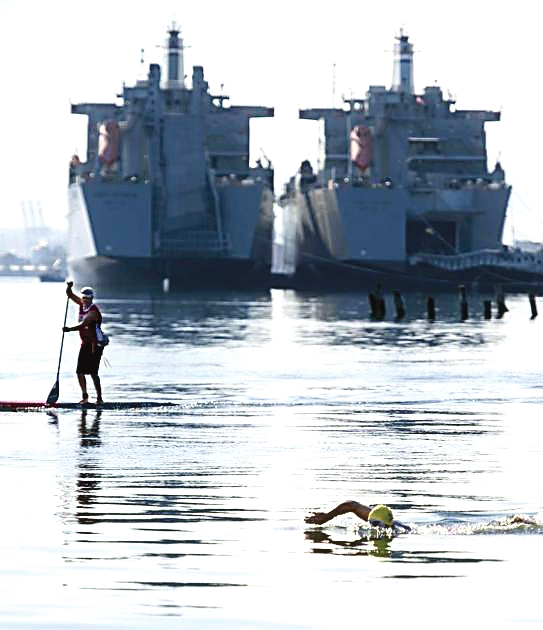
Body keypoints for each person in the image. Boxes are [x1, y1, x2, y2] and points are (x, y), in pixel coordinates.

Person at [63, 282, 104, 404]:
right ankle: (85, 396)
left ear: (91, 298)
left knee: (93, 373)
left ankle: (99, 398)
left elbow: (83, 325)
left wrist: (69, 329)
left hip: (95, 345)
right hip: (84, 344)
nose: (85, 299)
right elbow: (69, 294)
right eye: (83, 297)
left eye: (87, 297)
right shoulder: (81, 304)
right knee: (79, 372)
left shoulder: (93, 311)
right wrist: (69, 286)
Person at [305, 500, 411, 532]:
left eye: (373, 523)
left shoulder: (397, 531)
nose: (370, 525)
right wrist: (327, 517)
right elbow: (352, 505)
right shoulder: (378, 518)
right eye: (369, 521)